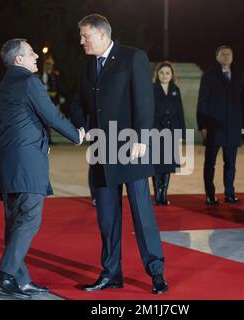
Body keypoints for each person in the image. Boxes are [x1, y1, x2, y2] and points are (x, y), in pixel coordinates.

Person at [70, 14, 168, 294]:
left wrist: (142, 137)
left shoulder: (132, 57)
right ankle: (111, 273)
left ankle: (156, 273)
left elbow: (145, 101)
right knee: (107, 218)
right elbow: (78, 102)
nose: (81, 42)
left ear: (102, 34)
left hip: (131, 148)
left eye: (85, 36)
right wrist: (83, 127)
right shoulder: (87, 65)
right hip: (101, 151)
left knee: (142, 215)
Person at [0, 39, 84, 300]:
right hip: (26, 163)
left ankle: (21, 280)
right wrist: (77, 135)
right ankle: (7, 274)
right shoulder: (28, 82)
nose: (36, 56)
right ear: (19, 59)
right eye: (31, 52)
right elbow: (52, 116)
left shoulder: (5, 85)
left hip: (6, 162)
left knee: (15, 222)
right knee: (30, 218)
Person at [197, 45, 244, 206]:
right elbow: (202, 101)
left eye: (229, 54)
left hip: (233, 126)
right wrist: (202, 125)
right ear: (217, 56)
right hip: (213, 126)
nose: (226, 56)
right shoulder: (208, 75)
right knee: (210, 163)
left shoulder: (239, 74)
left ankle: (230, 193)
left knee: (231, 163)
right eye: (223, 54)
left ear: (233, 57)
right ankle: (210, 195)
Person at [152, 61, 186, 205]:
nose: (164, 75)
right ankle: (157, 194)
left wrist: (182, 133)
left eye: (167, 73)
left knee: (168, 164)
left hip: (172, 131)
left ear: (172, 75)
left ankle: (164, 193)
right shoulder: (152, 88)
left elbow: (180, 111)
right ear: (157, 74)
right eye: (161, 73)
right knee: (156, 164)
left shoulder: (175, 89)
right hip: (156, 130)